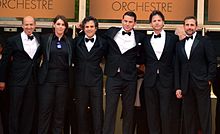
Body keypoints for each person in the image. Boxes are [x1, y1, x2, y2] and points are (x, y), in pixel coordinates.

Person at [102, 11, 145, 134]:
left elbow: (143, 55)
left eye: (130, 22)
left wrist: (134, 64)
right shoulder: (111, 32)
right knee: (110, 110)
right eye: (125, 21)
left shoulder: (140, 37)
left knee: (128, 111)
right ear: (122, 20)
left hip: (130, 78)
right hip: (113, 76)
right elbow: (102, 47)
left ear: (134, 23)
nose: (127, 24)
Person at [175, 16, 216, 134]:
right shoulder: (179, 45)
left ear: (196, 27)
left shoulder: (205, 41)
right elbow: (178, 67)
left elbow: (212, 61)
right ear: (184, 27)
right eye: (187, 25)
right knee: (189, 117)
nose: (189, 27)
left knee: (204, 116)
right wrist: (178, 86)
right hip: (186, 86)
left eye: (192, 25)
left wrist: (208, 79)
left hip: (202, 84)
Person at [0, 16, 41, 134]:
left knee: (29, 112)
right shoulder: (13, 40)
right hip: (16, 81)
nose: (29, 27)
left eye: (31, 24)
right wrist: (1, 80)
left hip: (33, 81)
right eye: (26, 24)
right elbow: (4, 62)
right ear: (22, 26)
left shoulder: (38, 39)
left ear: (35, 25)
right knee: (14, 111)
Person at [141, 10, 179, 134]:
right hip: (150, 81)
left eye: (159, 20)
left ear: (163, 22)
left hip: (167, 81)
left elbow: (177, 60)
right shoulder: (146, 40)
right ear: (151, 24)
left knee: (166, 112)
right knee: (152, 113)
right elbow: (142, 58)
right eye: (154, 21)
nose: (156, 23)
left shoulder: (173, 38)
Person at [37, 15, 73, 134]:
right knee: (45, 111)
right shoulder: (45, 38)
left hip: (63, 81)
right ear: (53, 25)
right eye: (58, 24)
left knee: (59, 113)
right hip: (47, 81)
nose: (60, 26)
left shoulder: (69, 41)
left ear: (66, 27)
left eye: (63, 24)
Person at [72, 16, 108, 134]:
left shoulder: (103, 43)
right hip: (80, 82)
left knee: (97, 112)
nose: (89, 29)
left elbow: (110, 59)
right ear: (83, 28)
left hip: (96, 82)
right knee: (80, 113)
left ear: (96, 28)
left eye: (91, 26)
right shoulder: (76, 42)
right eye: (86, 27)